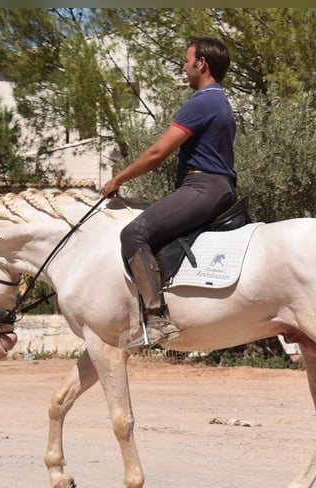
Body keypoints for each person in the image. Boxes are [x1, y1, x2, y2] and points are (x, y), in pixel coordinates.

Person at [102, 36, 237, 351]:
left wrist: (118, 179)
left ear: (201, 63)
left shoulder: (202, 101)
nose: (183, 66)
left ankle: (157, 318)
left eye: (186, 60)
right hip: (217, 187)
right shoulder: (220, 100)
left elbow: (157, 153)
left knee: (134, 234)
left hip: (203, 186)